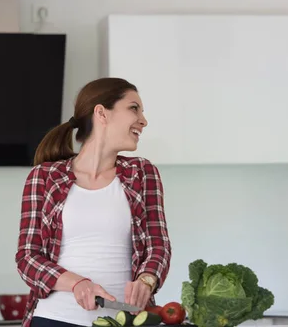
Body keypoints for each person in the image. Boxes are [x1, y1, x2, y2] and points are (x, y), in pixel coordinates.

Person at [15, 77, 171, 327]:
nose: (143, 120)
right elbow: (27, 257)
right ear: (102, 113)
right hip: (56, 317)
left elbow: (158, 246)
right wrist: (77, 283)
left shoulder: (142, 173)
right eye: (134, 108)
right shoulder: (45, 177)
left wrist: (147, 279)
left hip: (124, 319)